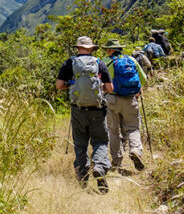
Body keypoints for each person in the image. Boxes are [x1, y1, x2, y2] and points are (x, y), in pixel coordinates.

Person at [56, 36, 113, 193]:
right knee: (100, 141)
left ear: (78, 47)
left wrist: (71, 84)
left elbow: (59, 85)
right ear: (90, 48)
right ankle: (100, 168)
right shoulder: (99, 63)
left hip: (78, 109)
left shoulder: (70, 63)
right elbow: (110, 88)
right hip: (97, 109)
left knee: (80, 144)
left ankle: (82, 177)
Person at [102, 39, 148, 173]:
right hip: (130, 99)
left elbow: (100, 82)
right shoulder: (131, 60)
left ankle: (116, 160)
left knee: (113, 130)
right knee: (133, 128)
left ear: (110, 50)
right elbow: (143, 78)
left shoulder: (106, 62)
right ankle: (135, 150)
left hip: (112, 99)